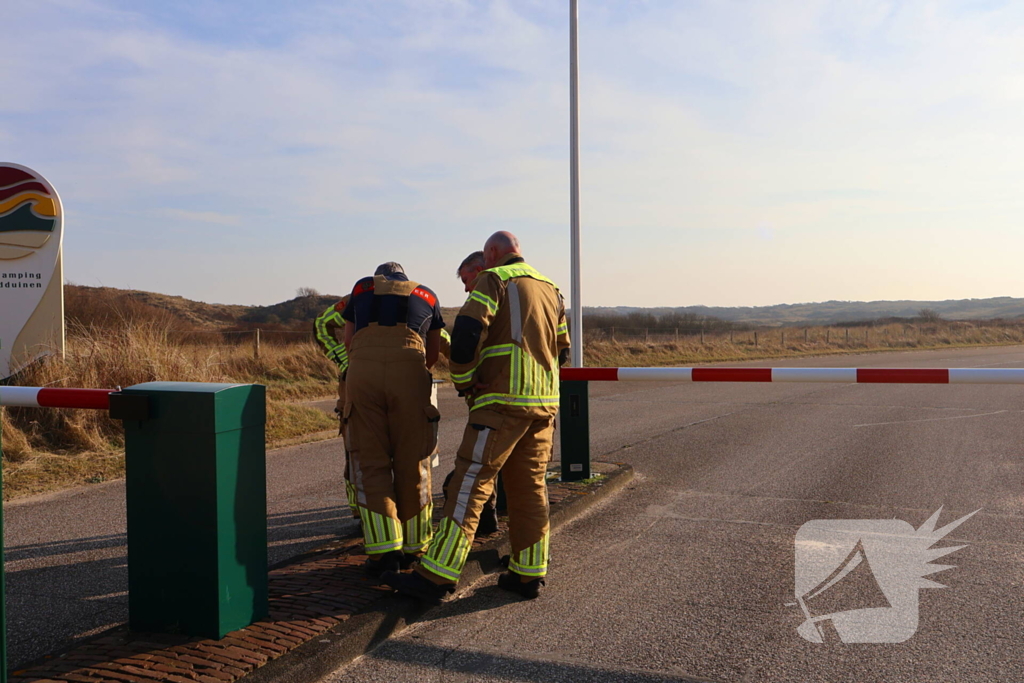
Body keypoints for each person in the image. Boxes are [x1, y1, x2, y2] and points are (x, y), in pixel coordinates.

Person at [385, 232, 570, 602]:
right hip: (544, 405)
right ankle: (528, 573)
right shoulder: (551, 287)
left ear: (492, 253)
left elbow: (467, 333)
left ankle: (436, 575)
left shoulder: (494, 279)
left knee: (469, 484)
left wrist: (467, 381)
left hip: (500, 403)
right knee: (530, 488)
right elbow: (562, 349)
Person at [342, 262, 446, 575]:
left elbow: (348, 343)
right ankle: (415, 547)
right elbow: (433, 354)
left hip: (363, 374)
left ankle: (384, 551)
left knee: (370, 461)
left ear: (379, 276)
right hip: (410, 374)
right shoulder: (427, 295)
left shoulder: (361, 289)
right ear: (404, 277)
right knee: (413, 461)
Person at [313, 294, 360, 519]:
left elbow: (322, 324)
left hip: (361, 381)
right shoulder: (358, 297)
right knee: (355, 450)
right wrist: (343, 359)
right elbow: (322, 324)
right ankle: (359, 509)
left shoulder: (359, 297)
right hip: (356, 385)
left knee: (357, 451)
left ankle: (364, 510)